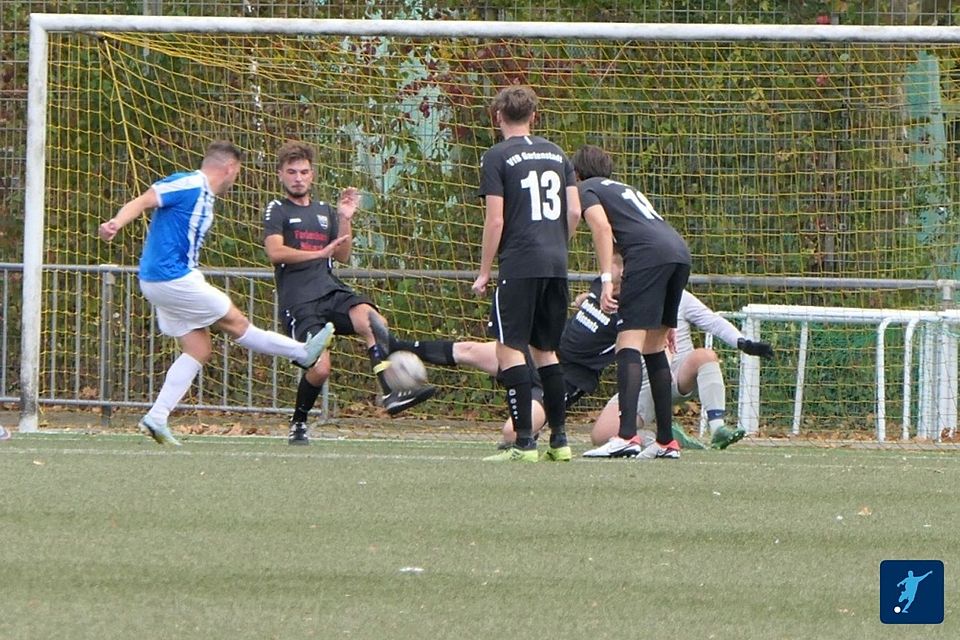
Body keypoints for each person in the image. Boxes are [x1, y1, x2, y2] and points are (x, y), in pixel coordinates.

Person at [98, 141, 335, 446]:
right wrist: (116, 222)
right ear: (230, 168)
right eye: (237, 172)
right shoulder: (191, 184)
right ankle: (301, 353)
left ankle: (156, 417)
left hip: (165, 280)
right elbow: (145, 200)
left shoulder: (204, 194)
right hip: (172, 278)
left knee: (198, 349)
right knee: (237, 324)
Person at [470, 85, 615, 463]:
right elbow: (571, 212)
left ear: (498, 116)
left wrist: (485, 271)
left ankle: (523, 443)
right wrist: (556, 245)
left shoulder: (496, 156)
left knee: (509, 348)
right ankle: (560, 440)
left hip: (520, 264)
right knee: (546, 351)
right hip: (556, 264)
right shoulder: (557, 153)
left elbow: (496, 218)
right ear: (534, 116)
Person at [262, 141, 436, 445]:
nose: (298, 178)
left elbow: (341, 256)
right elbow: (274, 252)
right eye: (291, 172)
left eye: (304, 172)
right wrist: (318, 253)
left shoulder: (326, 212)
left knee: (373, 320)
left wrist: (345, 217)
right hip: (299, 302)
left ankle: (392, 392)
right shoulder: (277, 209)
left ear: (312, 175)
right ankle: (299, 422)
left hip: (330, 291)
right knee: (321, 368)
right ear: (280, 175)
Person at [573, 144, 690, 460]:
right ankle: (666, 441)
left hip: (650, 258)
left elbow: (601, 227)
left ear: (577, 173)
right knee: (653, 349)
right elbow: (635, 238)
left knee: (628, 344)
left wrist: (606, 281)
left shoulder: (586, 188)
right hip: (678, 253)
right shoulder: (625, 190)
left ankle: (626, 436)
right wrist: (669, 319)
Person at [586, 288, 774, 454]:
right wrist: (587, 300)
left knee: (705, 356)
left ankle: (718, 429)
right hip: (641, 384)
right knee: (601, 435)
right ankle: (662, 439)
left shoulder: (678, 296)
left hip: (677, 374)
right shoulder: (619, 299)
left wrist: (742, 342)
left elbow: (713, 321)